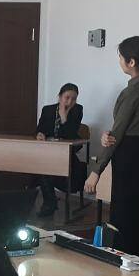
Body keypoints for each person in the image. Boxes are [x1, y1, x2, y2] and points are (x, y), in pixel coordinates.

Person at [84, 36, 139, 261]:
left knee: (123, 219)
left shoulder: (134, 91)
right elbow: (120, 130)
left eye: (120, 57)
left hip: (129, 156)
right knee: (137, 217)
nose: (119, 61)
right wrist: (110, 134)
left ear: (131, 62)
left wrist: (96, 171)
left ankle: (125, 267)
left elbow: (118, 134)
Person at [35, 83, 85, 217]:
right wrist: (40, 134)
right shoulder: (48, 109)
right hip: (48, 151)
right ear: (60, 96)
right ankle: (50, 201)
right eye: (67, 97)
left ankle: (49, 203)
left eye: (74, 99)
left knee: (45, 169)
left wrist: (63, 117)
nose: (70, 101)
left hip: (66, 152)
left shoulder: (77, 110)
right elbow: (40, 129)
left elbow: (71, 134)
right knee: (40, 166)